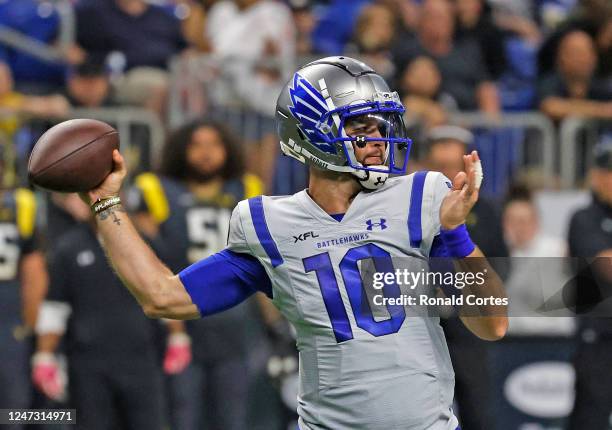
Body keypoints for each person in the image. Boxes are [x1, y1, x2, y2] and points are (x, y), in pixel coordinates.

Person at [80, 56, 508, 430]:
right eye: (360, 127)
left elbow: (492, 325)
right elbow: (162, 297)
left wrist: (456, 235)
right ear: (313, 133)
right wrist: (105, 202)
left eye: (380, 126)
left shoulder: (421, 197)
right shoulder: (269, 224)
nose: (379, 140)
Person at [129, 119, 264, 430]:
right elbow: (146, 259)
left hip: (236, 321)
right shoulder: (156, 189)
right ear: (180, 149)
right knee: (181, 415)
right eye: (196, 144)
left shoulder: (247, 188)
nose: (206, 153)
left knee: (234, 417)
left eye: (214, 144)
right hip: (180, 318)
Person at [33, 194, 165, 430]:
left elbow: (164, 290)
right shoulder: (68, 247)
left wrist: (178, 335)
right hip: (88, 362)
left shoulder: (144, 244)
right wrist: (45, 355)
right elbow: (54, 307)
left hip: (140, 358)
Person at [424, 124, 507, 430]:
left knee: (477, 409)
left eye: (452, 151)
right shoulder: (410, 205)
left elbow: (499, 263)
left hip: (467, 324)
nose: (445, 159)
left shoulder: (486, 210)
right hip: (419, 320)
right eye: (439, 149)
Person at [566, 142, 612, 429]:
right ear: (596, 177)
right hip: (599, 337)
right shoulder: (584, 218)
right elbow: (606, 265)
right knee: (591, 417)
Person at [0, 171, 47, 429]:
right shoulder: (20, 204)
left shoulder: (22, 204)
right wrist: (29, 327)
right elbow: (34, 276)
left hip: (9, 315)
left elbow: (34, 273)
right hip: (9, 317)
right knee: (12, 410)